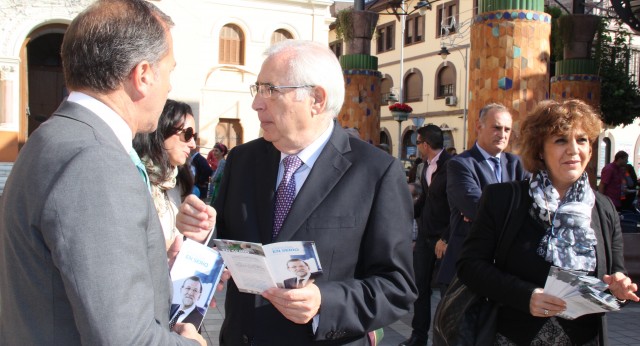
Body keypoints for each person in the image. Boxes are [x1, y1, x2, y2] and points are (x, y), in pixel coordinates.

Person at [0, 0, 215, 344]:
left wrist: (154, 263)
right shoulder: (95, 159)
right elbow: (126, 339)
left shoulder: (54, 135)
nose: (170, 87)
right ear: (143, 75)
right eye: (169, 71)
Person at [213, 40, 417, 345]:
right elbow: (225, 241)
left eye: (270, 89)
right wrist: (203, 235)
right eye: (257, 89)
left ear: (316, 100)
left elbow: (397, 287)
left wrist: (324, 302)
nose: (257, 103)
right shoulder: (242, 161)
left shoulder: (376, 172)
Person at [457, 99, 639, 345]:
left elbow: (615, 275)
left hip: (584, 339)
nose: (574, 150)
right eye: (561, 140)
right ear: (540, 149)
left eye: (582, 140)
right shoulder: (504, 199)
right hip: (514, 336)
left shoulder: (603, 207)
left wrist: (620, 288)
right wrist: (525, 296)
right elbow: (469, 265)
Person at [437, 103, 530, 289]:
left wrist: (487, 210)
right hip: (467, 268)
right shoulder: (460, 165)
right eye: (496, 127)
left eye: (507, 129)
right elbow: (475, 208)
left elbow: (534, 207)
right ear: (479, 127)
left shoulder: (518, 164)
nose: (502, 134)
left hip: (507, 268)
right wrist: (514, 212)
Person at [400, 125, 452, 346]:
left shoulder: (451, 166)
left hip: (444, 240)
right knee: (419, 288)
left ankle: (444, 339)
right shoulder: (425, 166)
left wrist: (447, 237)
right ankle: (418, 336)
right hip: (425, 237)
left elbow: (456, 207)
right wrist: (403, 215)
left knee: (445, 293)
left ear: (426, 144)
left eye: (418, 142)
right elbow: (426, 200)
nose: (417, 146)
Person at [134, 99, 197, 268]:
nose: (193, 144)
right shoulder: (134, 176)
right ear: (163, 130)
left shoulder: (178, 183)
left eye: (194, 137)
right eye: (187, 134)